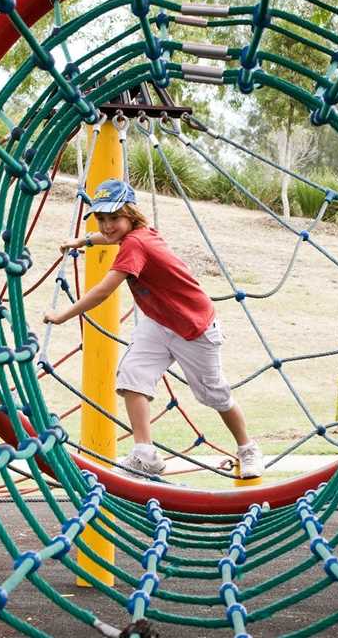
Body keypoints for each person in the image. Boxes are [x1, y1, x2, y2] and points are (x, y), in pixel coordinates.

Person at [44, 179, 264, 479]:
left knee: (214, 395)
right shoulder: (132, 235)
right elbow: (109, 238)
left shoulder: (136, 243)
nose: (107, 226)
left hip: (193, 327)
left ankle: (248, 447)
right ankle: (145, 454)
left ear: (131, 215)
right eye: (102, 219)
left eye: (114, 218)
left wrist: (62, 316)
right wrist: (83, 242)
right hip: (158, 322)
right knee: (132, 376)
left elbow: (103, 291)